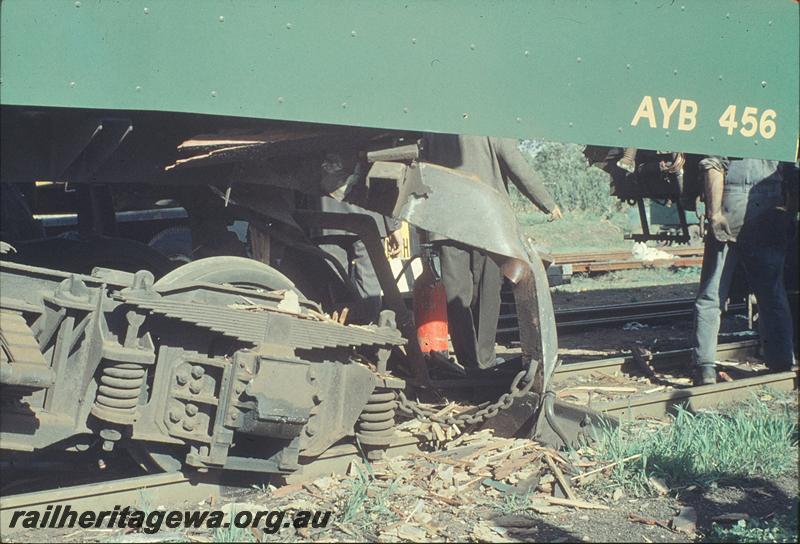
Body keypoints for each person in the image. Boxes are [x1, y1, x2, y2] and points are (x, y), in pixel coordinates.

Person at [424, 134, 562, 371]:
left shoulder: (433, 127)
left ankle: (469, 362)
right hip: (488, 223)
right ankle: (484, 361)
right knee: (488, 295)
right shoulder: (488, 122)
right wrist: (547, 203)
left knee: (457, 295)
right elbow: (514, 162)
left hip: (447, 221)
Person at [692, 157, 798, 385]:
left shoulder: (729, 121)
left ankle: (705, 368)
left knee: (712, 294)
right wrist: (790, 214)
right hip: (769, 212)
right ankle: (782, 363)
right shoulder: (778, 126)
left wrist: (714, 213)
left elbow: (713, 167)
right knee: (773, 294)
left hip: (731, 207)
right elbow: (794, 174)